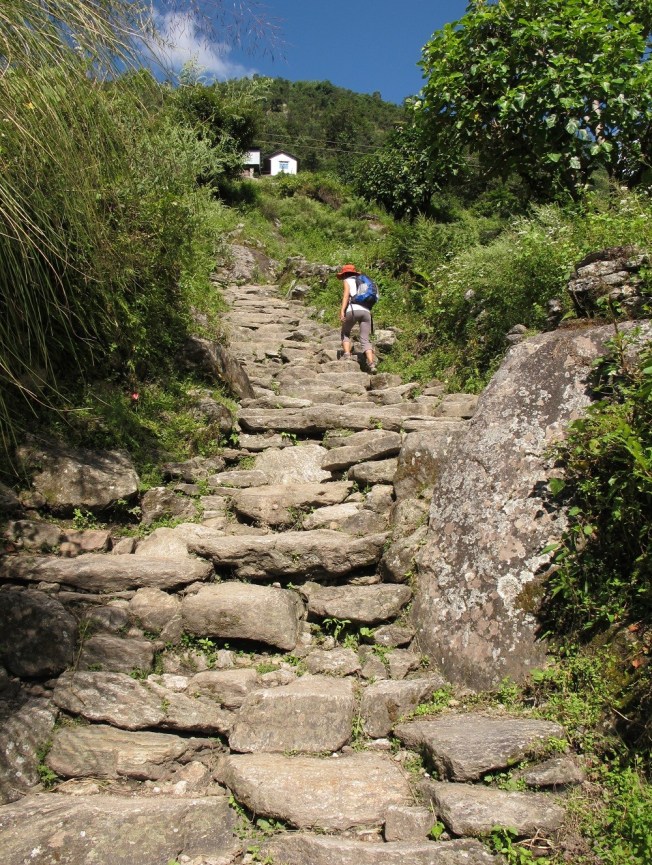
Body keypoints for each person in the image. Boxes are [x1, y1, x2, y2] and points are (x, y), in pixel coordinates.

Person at [336, 263, 377, 373]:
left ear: (344, 274)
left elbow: (346, 296)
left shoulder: (347, 281)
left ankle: (347, 355)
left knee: (345, 333)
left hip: (353, 310)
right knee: (364, 338)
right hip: (366, 312)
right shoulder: (363, 281)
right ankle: (372, 364)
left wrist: (342, 311)